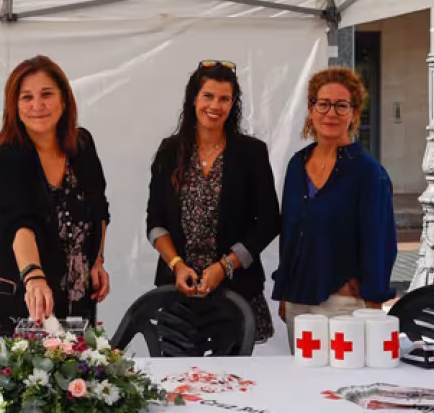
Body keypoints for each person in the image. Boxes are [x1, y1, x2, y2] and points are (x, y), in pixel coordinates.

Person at [0, 55, 111, 352]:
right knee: (15, 391)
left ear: (64, 100)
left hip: (73, 293)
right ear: (14, 107)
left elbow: (99, 207)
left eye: (46, 94)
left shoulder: (82, 145)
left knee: (71, 388)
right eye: (26, 97)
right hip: (9, 296)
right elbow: (19, 224)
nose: (37, 105)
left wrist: (97, 260)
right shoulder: (7, 156)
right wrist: (34, 279)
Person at [146, 60, 281, 343]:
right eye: (208, 96)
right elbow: (155, 222)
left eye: (224, 99)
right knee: (179, 378)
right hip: (178, 289)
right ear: (194, 98)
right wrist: (177, 265)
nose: (215, 106)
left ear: (233, 104)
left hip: (236, 292)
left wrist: (225, 267)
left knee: (231, 380)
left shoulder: (251, 153)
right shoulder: (169, 151)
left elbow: (268, 222)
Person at [272, 66, 397, 346]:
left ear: (354, 113)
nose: (331, 113)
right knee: (302, 383)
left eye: (341, 106)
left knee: (342, 385)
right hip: (298, 298)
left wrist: (373, 299)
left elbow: (379, 240)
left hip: (344, 303)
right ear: (311, 108)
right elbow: (290, 233)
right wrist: (284, 290)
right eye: (324, 104)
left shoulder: (367, 172)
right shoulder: (297, 165)